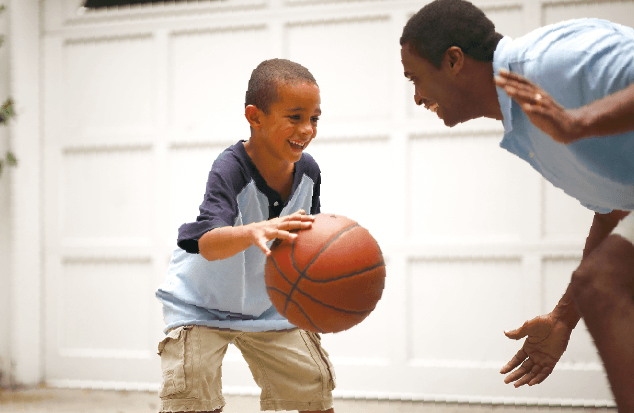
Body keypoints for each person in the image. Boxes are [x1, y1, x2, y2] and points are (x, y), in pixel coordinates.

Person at [399, 0, 634, 410]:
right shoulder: (525, 124)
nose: (417, 97)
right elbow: (615, 208)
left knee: (603, 283)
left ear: (454, 60)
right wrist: (563, 319)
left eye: (415, 78)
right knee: (597, 284)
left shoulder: (556, 60)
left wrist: (582, 123)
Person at [155, 58, 335, 413]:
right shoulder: (231, 168)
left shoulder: (309, 171)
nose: (307, 129)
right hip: (201, 304)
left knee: (314, 383)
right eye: (295, 117)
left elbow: (305, 239)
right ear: (255, 117)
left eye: (314, 118)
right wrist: (255, 229)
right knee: (191, 392)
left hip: (266, 306)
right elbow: (207, 243)